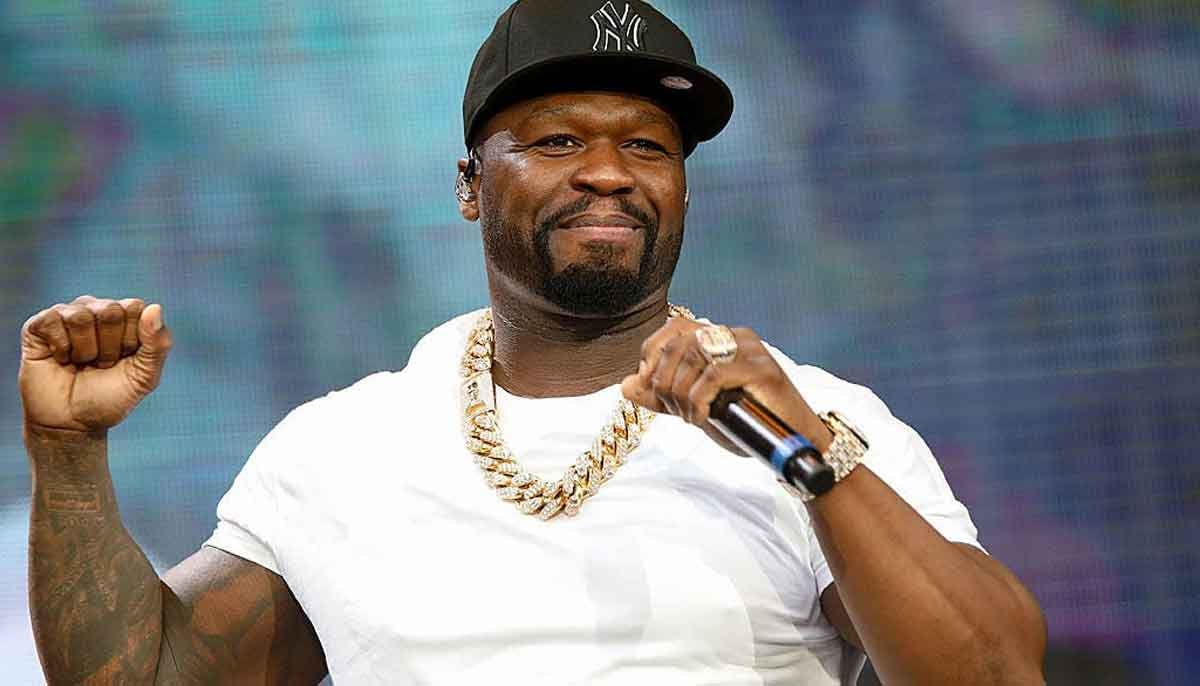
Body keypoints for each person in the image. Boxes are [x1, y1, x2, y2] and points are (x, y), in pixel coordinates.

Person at [19, 1, 1046, 683]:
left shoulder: (816, 421)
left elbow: (996, 674)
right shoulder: (340, 447)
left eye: (647, 146)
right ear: (469, 185)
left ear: (682, 189)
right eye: (558, 141)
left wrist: (812, 456)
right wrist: (68, 454)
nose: (609, 171)